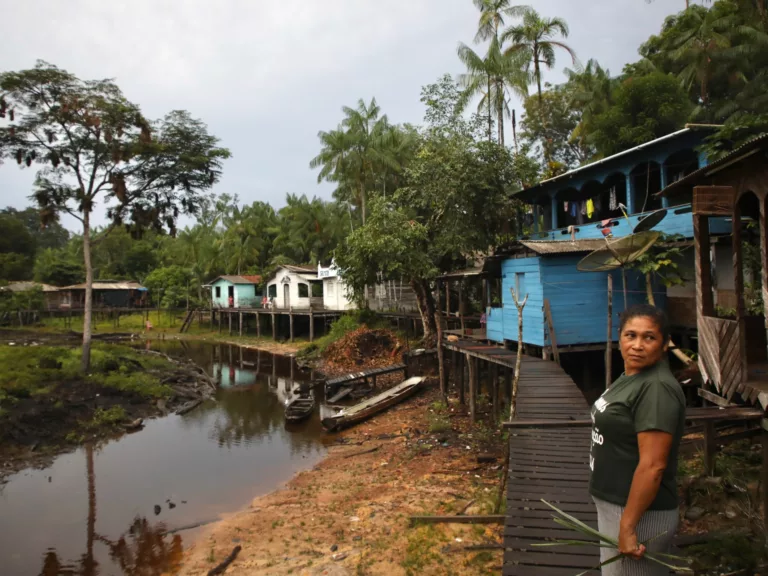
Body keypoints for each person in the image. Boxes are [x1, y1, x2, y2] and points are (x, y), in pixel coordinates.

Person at [589, 304, 685, 575]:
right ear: (619, 337)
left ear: (665, 343)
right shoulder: (631, 375)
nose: (638, 345)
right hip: (616, 506)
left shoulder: (656, 388)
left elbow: (653, 466)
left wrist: (628, 526)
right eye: (631, 335)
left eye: (649, 337)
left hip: (639, 514)